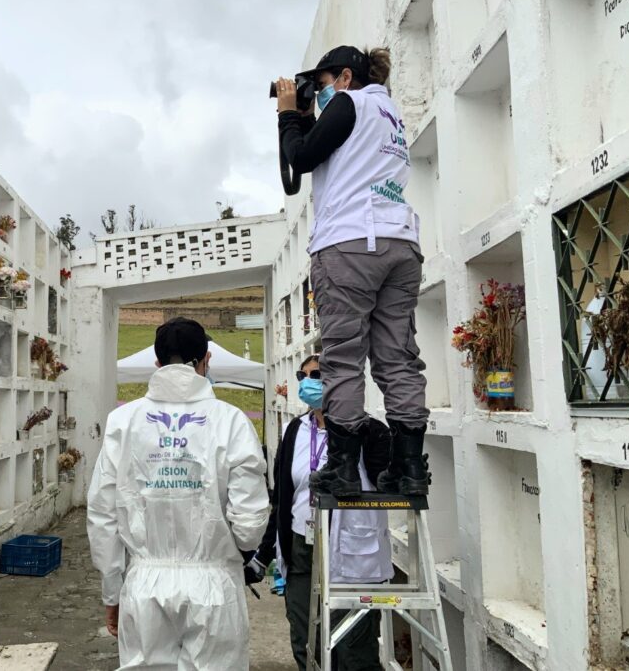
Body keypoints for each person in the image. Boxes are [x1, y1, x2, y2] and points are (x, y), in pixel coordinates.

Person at [275, 45, 429, 497]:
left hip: (349, 243)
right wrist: (307, 114)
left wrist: (288, 115)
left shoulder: (350, 102)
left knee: (341, 356)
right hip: (400, 242)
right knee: (398, 357)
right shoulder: (390, 112)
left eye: (320, 85)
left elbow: (300, 158)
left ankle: (342, 469)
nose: (319, 95)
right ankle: (409, 469)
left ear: (344, 77)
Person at [87, 317, 270, 670]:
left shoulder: (124, 422)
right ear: (207, 360)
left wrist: (112, 590)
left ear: (156, 364)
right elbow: (250, 522)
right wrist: (234, 550)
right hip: (213, 583)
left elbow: (102, 514)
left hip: (144, 585)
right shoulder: (230, 420)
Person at [246, 355, 392, 669]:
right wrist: (264, 553)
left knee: (354, 651)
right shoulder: (294, 431)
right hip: (302, 550)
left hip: (351, 555)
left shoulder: (371, 432)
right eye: (303, 375)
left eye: (317, 374)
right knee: (306, 643)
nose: (307, 381)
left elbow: (387, 485)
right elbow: (284, 499)